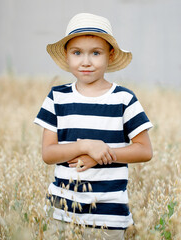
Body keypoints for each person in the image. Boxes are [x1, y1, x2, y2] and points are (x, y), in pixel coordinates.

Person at [34, 13, 153, 239]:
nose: (86, 61)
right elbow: (48, 154)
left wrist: (99, 156)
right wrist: (87, 146)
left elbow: (144, 150)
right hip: (61, 214)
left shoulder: (124, 99)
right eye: (77, 52)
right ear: (67, 56)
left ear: (110, 55)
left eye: (95, 53)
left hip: (109, 217)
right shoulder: (56, 98)